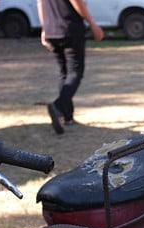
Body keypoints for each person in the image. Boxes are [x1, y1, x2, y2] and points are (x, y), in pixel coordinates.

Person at [37, 0, 104, 134]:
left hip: (52, 30)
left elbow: (40, 3)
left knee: (65, 74)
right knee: (75, 72)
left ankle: (67, 116)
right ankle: (59, 106)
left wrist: (45, 28)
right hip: (69, 28)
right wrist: (92, 24)